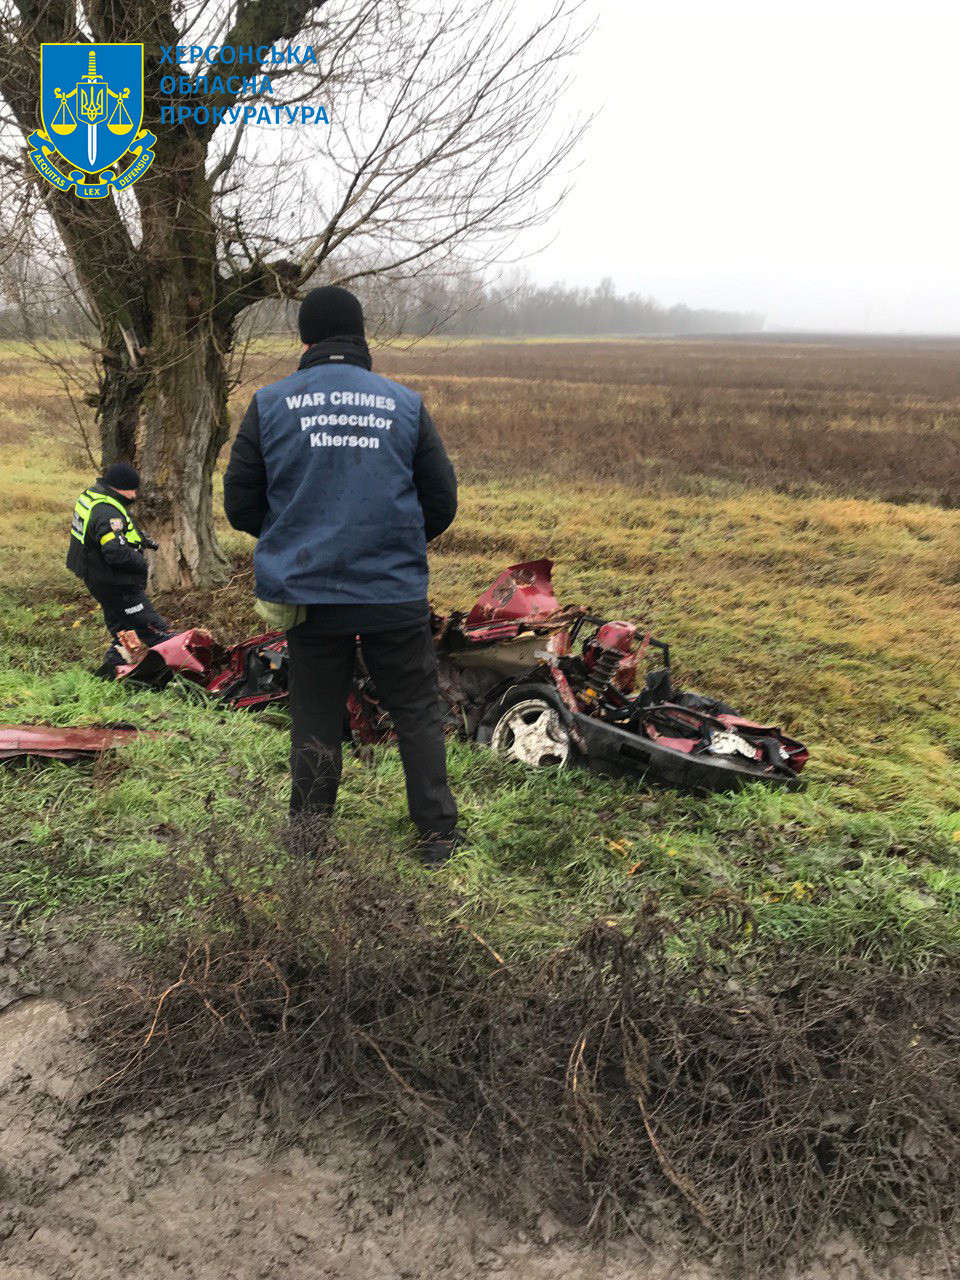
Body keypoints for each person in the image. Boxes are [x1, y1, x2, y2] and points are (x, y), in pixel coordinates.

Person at [223, 285, 463, 868]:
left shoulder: (270, 404)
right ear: (360, 336)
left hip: (310, 590)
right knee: (416, 709)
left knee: (316, 712)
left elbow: (240, 504)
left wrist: (293, 537)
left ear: (305, 338)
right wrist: (395, 544)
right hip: (392, 591)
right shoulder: (405, 405)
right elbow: (442, 501)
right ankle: (436, 837)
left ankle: (309, 838)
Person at [66, 463, 170, 673]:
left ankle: (110, 673)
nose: (134, 495)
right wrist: (141, 562)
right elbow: (115, 552)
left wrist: (139, 540)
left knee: (123, 631)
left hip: (99, 579)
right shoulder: (107, 513)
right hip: (117, 584)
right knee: (155, 630)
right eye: (132, 490)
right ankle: (181, 674)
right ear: (120, 488)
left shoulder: (92, 496)